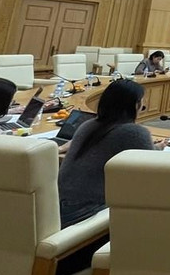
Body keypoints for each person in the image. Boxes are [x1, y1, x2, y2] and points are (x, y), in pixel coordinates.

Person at [58, 80, 161, 227]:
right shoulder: (134, 132)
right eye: (141, 104)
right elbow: (153, 169)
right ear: (134, 105)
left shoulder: (88, 125)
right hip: (82, 211)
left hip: (59, 204)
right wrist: (159, 148)